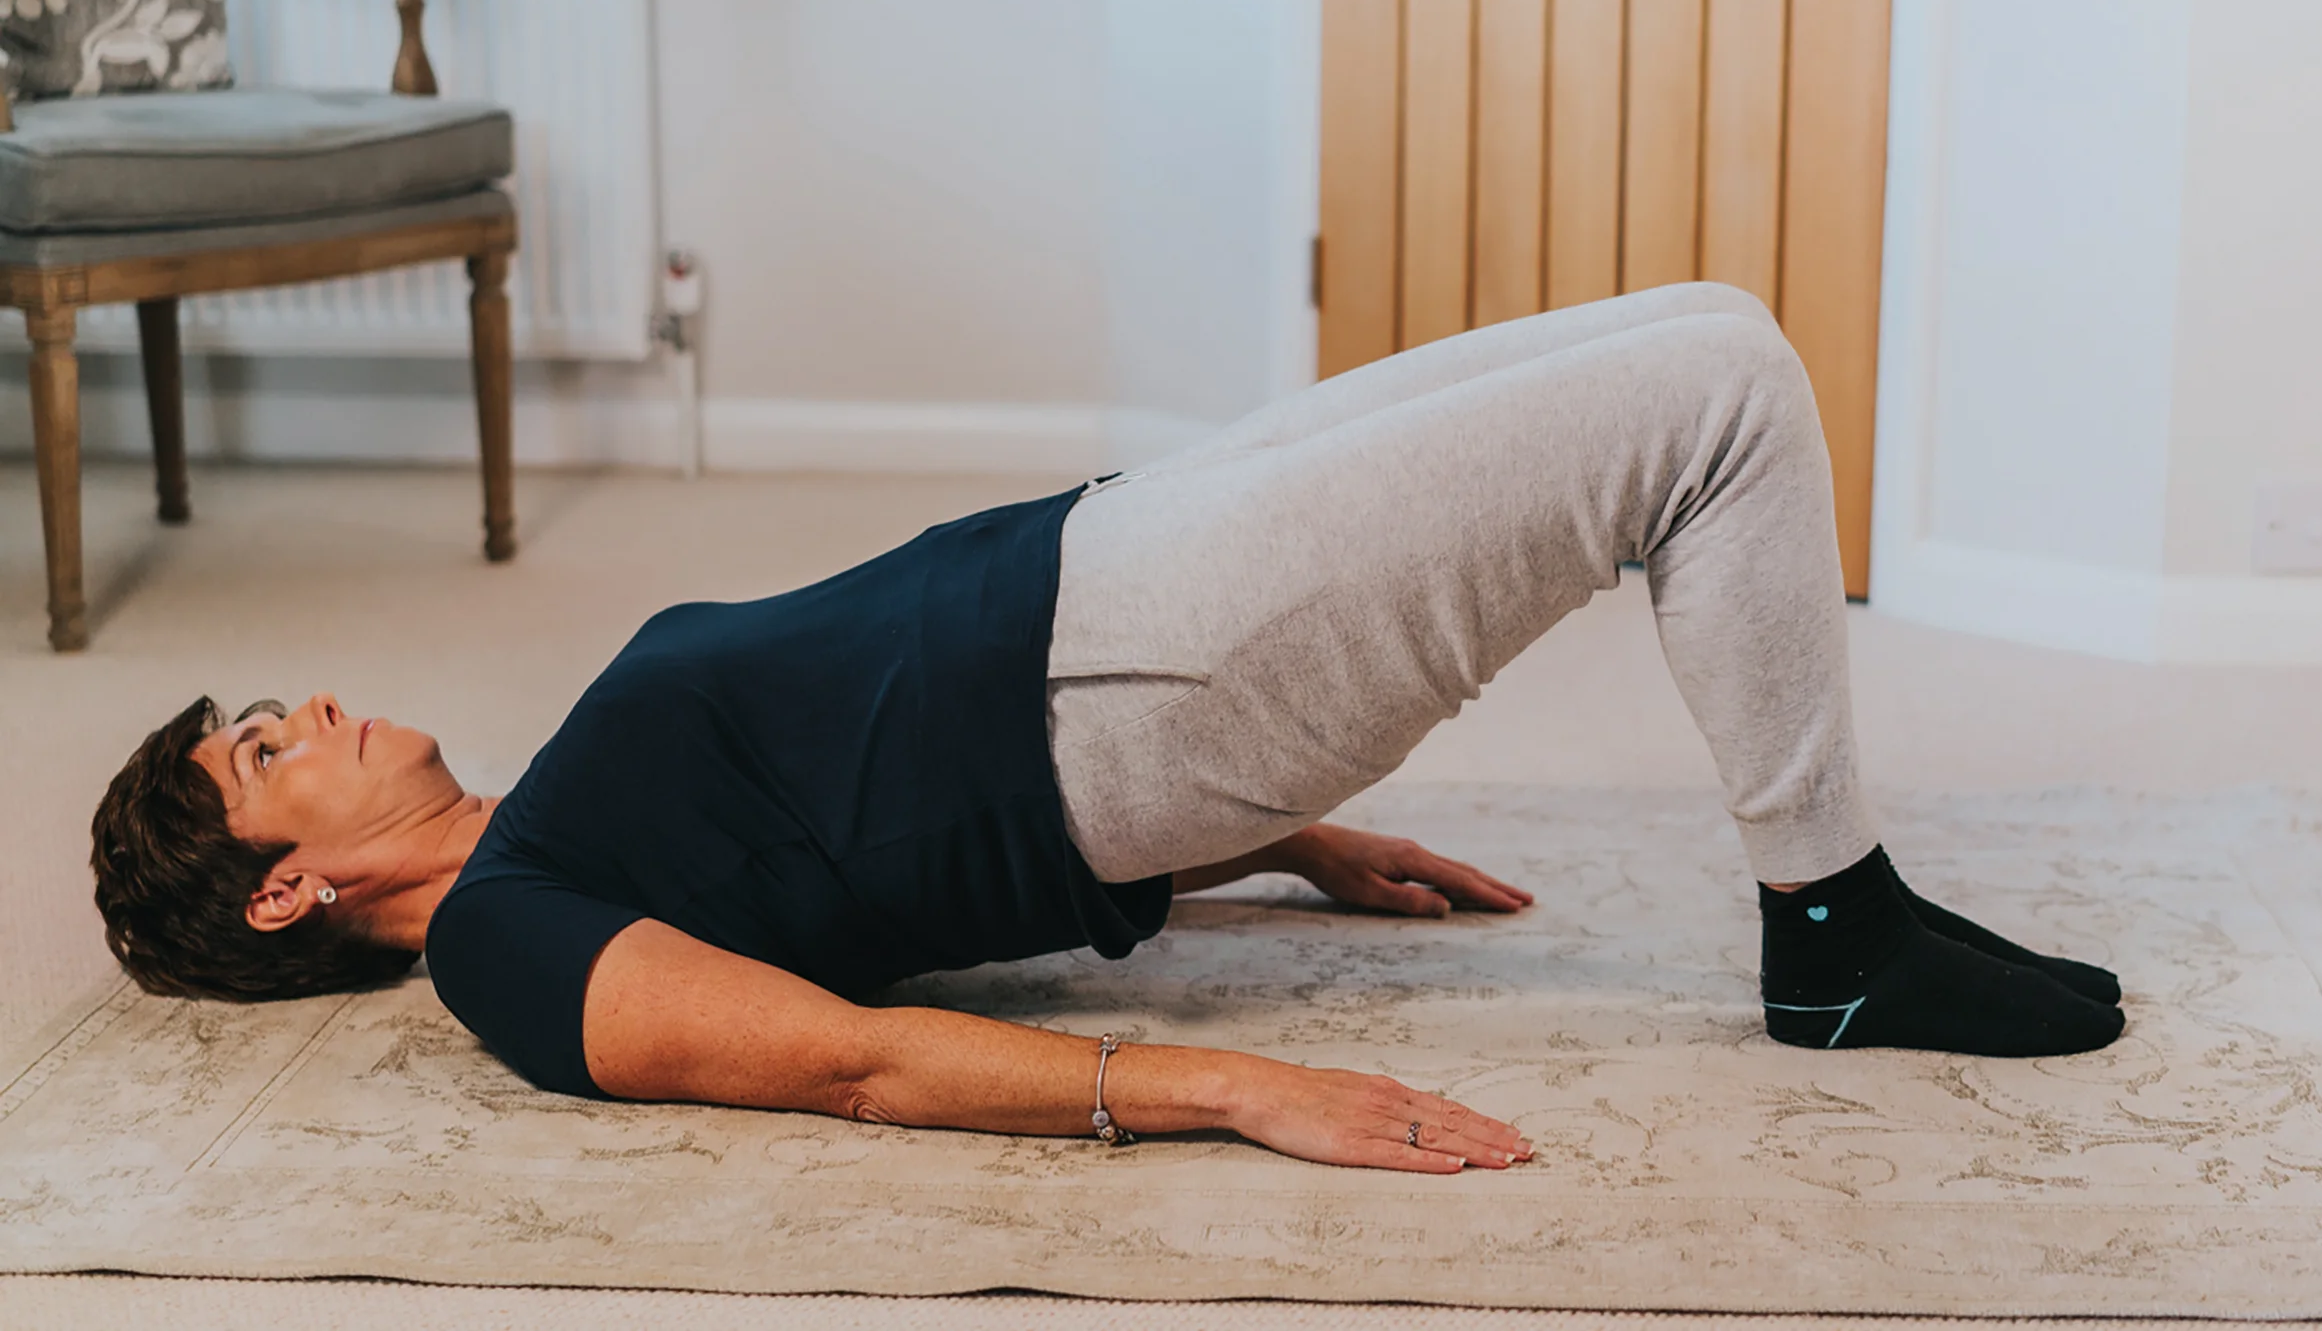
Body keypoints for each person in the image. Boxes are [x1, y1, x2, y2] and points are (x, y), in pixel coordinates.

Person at [88, 284, 2122, 1178]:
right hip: (1136, 670)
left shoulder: (544, 822)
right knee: (1725, 398)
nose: (322, 708)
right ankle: (1834, 925)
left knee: (1690, 317)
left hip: (1115, 578)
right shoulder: (501, 944)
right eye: (273, 748)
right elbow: (857, 1056)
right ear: (288, 891)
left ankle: (1836, 910)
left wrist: (1285, 843)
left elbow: (845, 863)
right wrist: (1226, 1085)